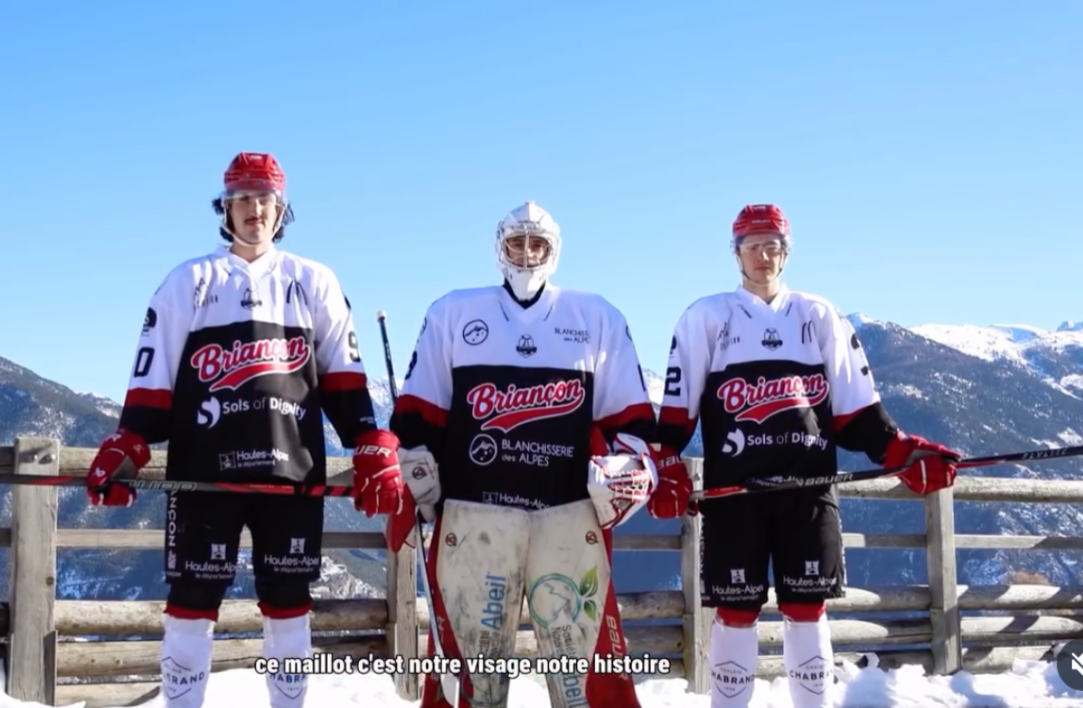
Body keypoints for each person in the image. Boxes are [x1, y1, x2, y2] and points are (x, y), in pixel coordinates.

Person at [82, 152, 407, 708]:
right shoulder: (188, 281)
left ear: (283, 210)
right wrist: (128, 442)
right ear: (224, 208)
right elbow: (153, 376)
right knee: (191, 598)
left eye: (266, 200)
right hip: (203, 476)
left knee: (289, 600)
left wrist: (369, 441)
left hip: (292, 474)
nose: (255, 210)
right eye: (243, 199)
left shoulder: (315, 281)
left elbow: (344, 380)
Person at [648, 203, 961, 708]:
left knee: (806, 607)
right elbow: (678, 412)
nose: (762, 256)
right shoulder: (705, 317)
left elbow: (855, 409)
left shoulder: (819, 315)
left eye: (772, 246)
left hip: (809, 492)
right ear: (736, 254)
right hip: (736, 496)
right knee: (736, 612)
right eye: (752, 246)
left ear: (786, 253)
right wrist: (663, 462)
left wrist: (900, 449)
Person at [386, 200, 661, 708]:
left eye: (539, 244)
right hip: (474, 518)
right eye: (518, 242)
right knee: (473, 678)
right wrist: (413, 466)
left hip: (566, 518)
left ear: (555, 252)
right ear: (499, 248)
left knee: (582, 680)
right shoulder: (453, 314)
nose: (528, 254)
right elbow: (415, 416)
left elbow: (636, 430)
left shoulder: (596, 317)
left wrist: (627, 472)